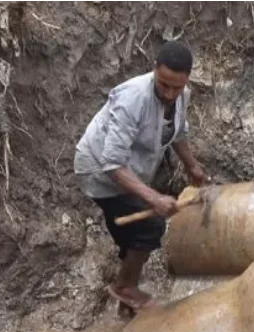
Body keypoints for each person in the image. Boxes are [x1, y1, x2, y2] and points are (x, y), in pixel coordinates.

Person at [74, 40, 208, 309]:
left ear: (187, 80)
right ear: (154, 71)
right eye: (164, 85)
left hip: (130, 168)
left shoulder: (183, 95)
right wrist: (154, 198)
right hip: (100, 169)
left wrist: (192, 165)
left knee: (132, 236)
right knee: (150, 226)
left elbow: (178, 132)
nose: (170, 94)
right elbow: (112, 163)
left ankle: (125, 294)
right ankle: (124, 286)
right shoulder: (133, 98)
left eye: (177, 87)